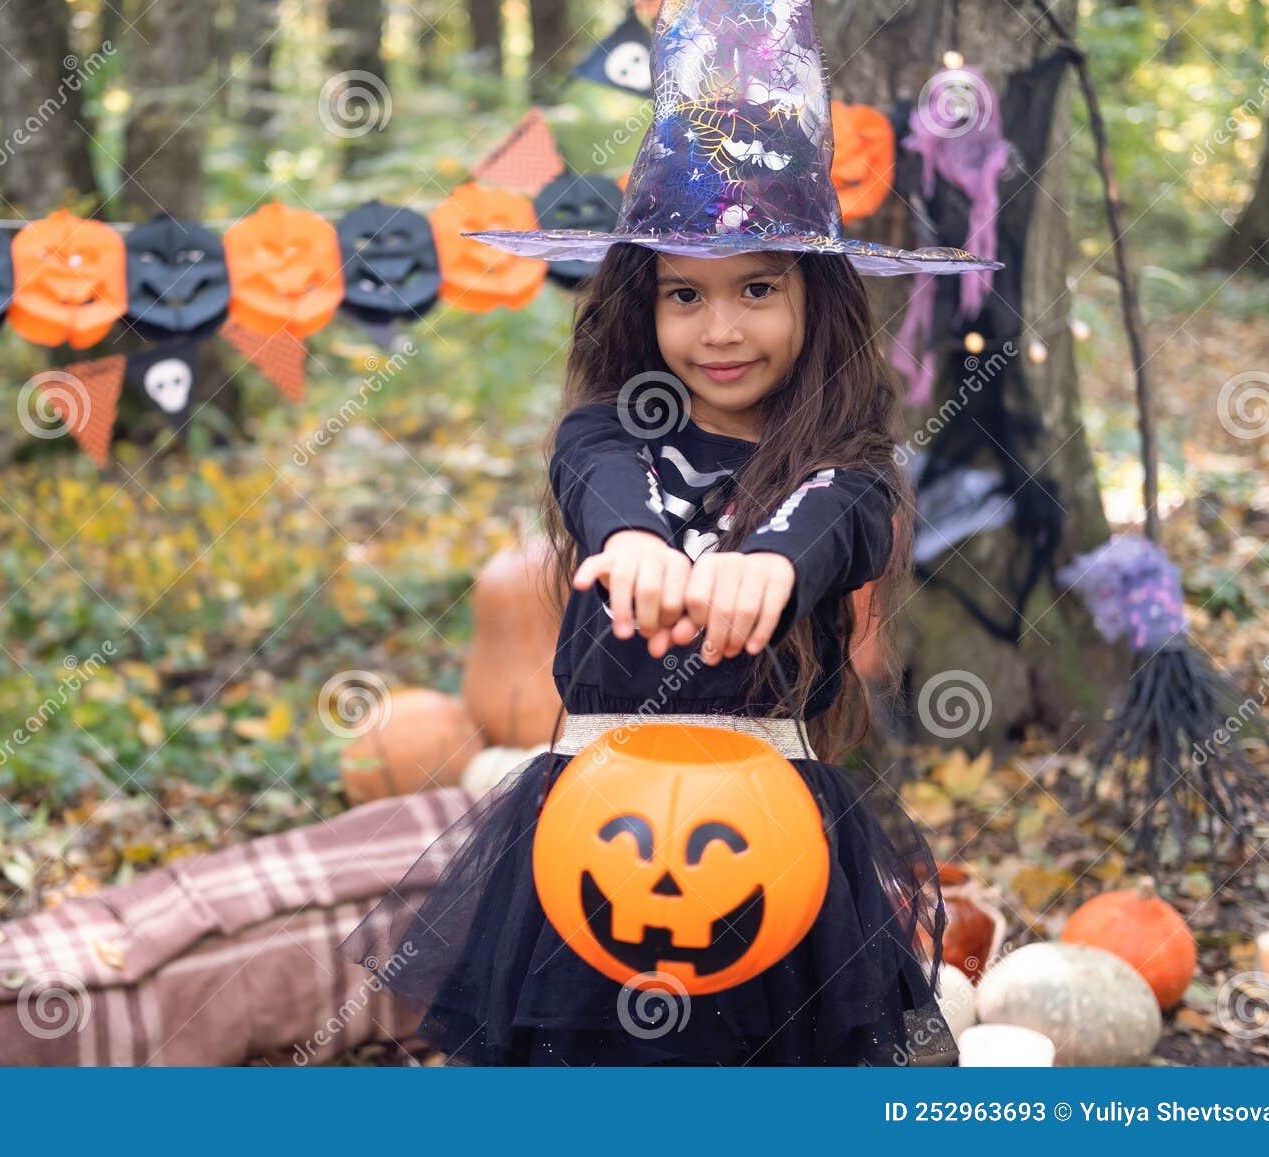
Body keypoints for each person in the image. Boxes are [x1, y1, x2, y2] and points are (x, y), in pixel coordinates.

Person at [336, 0, 1000, 1067]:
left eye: (757, 291)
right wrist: (637, 542)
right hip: (597, 820)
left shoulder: (845, 467)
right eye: (683, 294)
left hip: (769, 829)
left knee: (769, 1064)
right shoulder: (611, 437)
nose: (720, 328)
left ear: (814, 299)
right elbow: (597, 482)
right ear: (640, 306)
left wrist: (772, 562)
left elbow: (840, 522)